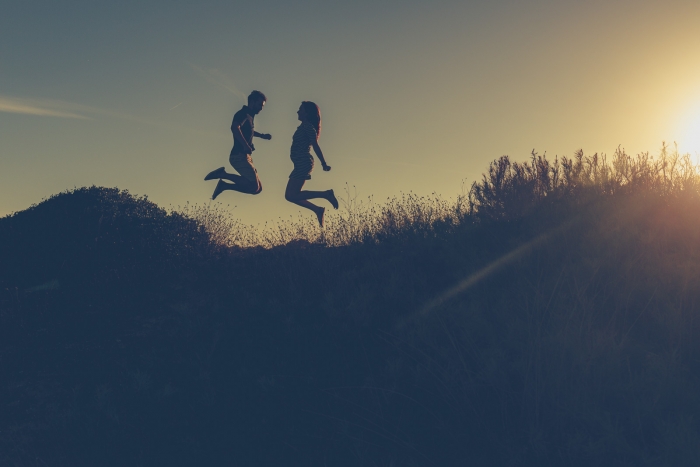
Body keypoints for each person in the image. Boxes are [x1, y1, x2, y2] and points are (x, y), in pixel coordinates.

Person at [205, 90, 271, 199]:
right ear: (252, 102)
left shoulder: (250, 116)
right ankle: (222, 175)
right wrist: (245, 145)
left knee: (258, 189)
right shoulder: (243, 113)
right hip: (239, 156)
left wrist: (262, 136)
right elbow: (235, 127)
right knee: (254, 187)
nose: (261, 108)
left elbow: (249, 131)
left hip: (246, 157)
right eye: (260, 104)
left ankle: (224, 185)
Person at [284, 101, 338, 227]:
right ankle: (317, 209)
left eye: (300, 110)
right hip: (299, 164)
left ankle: (325, 194)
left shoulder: (308, 127)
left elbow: (315, 145)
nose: (297, 112)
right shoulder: (303, 126)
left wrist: (323, 163)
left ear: (307, 113)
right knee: (290, 196)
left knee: (292, 195)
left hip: (304, 163)